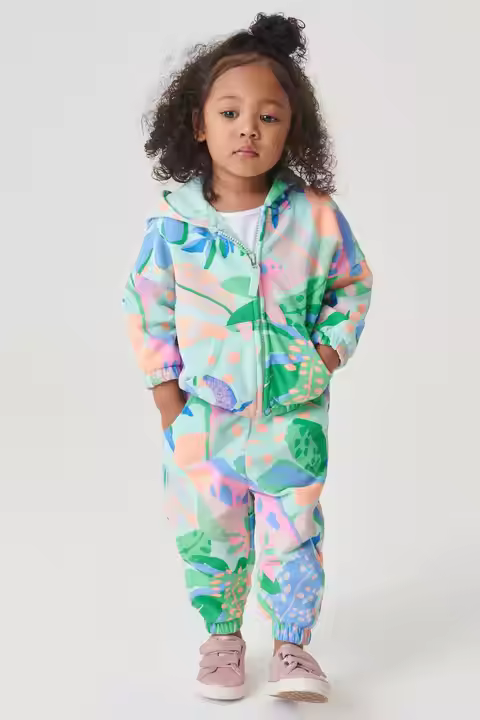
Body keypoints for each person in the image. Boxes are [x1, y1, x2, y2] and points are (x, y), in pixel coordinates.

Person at [122, 12, 373, 703]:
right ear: (198, 124)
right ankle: (222, 639)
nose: (249, 129)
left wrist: (324, 355)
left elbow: (353, 284)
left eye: (269, 116)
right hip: (204, 417)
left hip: (293, 417)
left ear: (292, 129)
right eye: (230, 112)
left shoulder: (315, 216)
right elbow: (147, 308)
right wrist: (168, 400)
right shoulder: (174, 224)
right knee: (209, 532)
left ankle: (291, 648)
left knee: (295, 532)